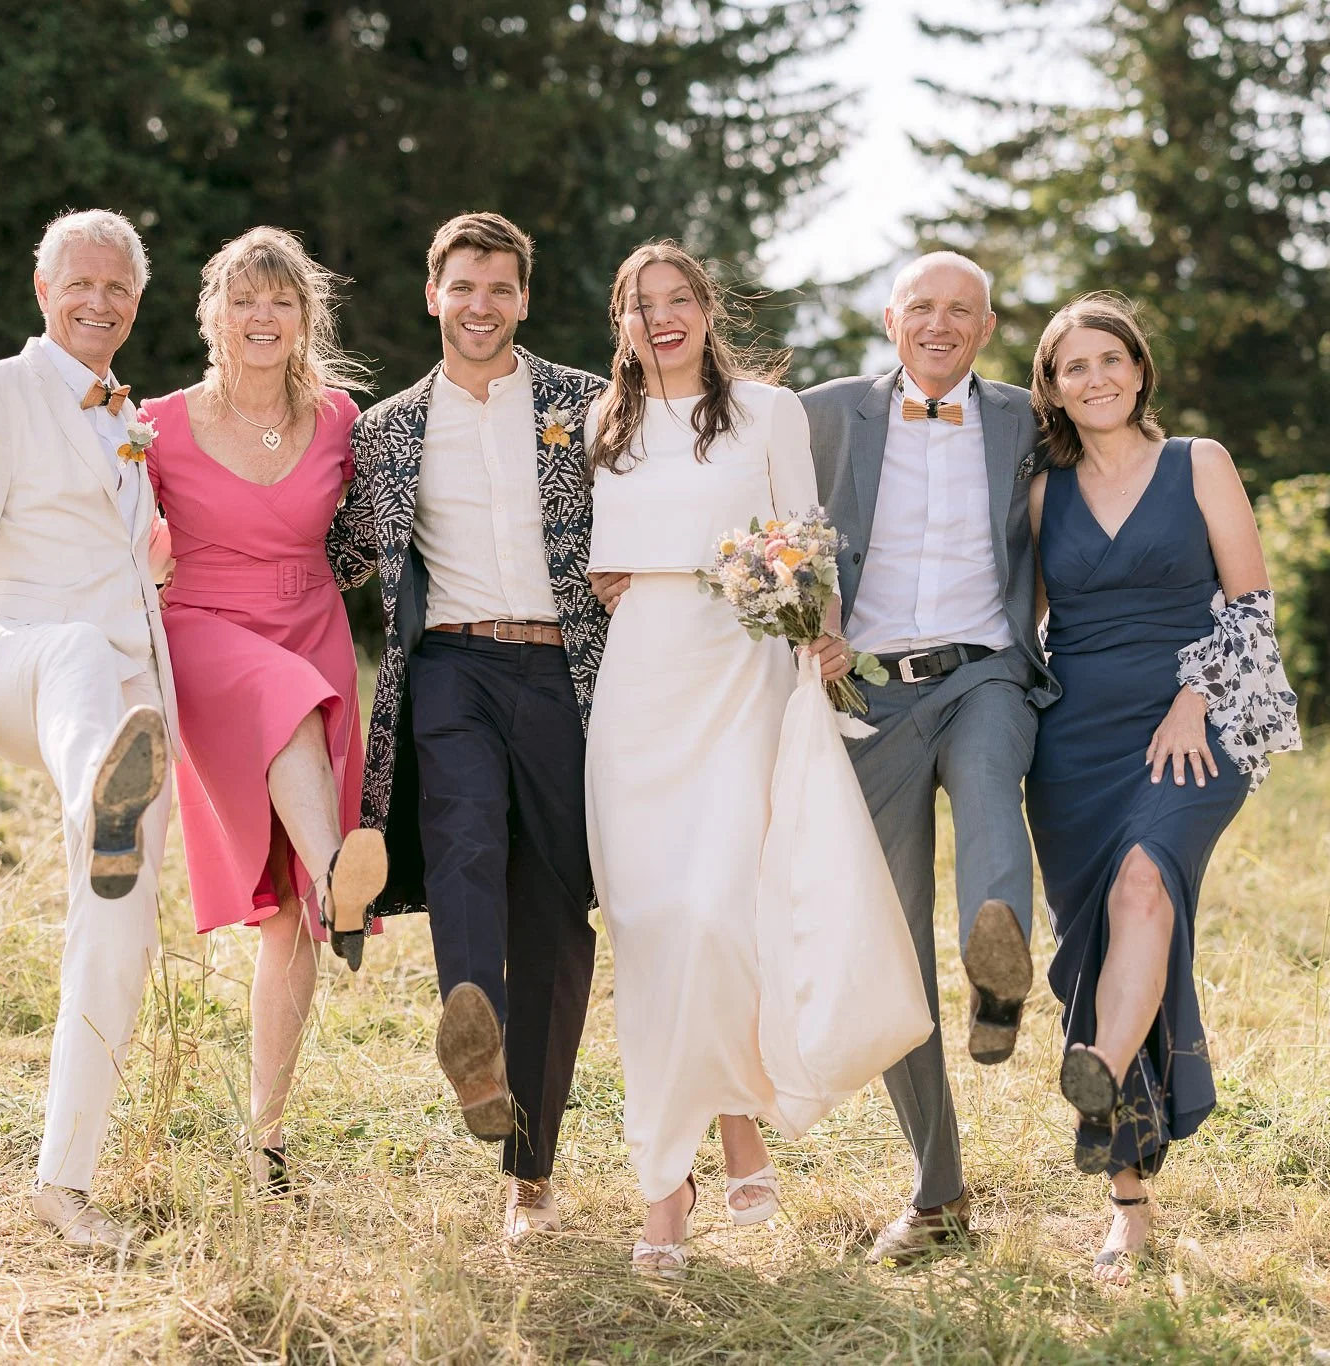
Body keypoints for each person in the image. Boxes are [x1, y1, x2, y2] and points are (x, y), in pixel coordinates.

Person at [326, 212, 608, 1243]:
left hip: (569, 676)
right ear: (431, 295)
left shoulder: (587, 405)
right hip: (449, 667)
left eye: (498, 288)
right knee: (461, 840)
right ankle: (471, 1027)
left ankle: (529, 1171)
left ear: (523, 298)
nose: (479, 306)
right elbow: (327, 553)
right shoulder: (386, 431)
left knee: (555, 917)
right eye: (462, 287)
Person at [581, 242, 854, 1277]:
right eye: (640, 304)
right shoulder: (603, 425)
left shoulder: (769, 412)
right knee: (650, 925)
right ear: (621, 322)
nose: (662, 318)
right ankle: (671, 1182)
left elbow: (806, 542)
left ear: (706, 309)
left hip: (743, 670)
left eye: (678, 299)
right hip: (641, 679)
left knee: (718, 911)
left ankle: (730, 1118)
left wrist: (823, 632)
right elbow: (602, 557)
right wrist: (622, 578)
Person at [0, 209, 176, 1254]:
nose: (98, 302)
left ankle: (65, 1183)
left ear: (136, 301)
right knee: (73, 652)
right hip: (17, 661)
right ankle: (99, 794)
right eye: (80, 284)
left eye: (117, 288)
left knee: (118, 926)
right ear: (42, 290)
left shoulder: (129, 417)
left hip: (130, 698)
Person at [1024, 292, 1299, 1283]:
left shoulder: (1198, 462)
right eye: (1074, 366)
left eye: (1110, 359)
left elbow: (1251, 603)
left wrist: (1192, 700)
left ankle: (1097, 1073)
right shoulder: (1042, 493)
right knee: (1104, 947)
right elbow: (1019, 622)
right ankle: (1127, 1209)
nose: (1095, 378)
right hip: (1075, 745)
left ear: (1139, 369)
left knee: (1146, 884)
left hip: (1194, 723)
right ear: (1053, 389)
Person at [796, 252, 1059, 1264]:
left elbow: (1120, 465)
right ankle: (938, 1193)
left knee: (990, 785)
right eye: (922, 308)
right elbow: (759, 514)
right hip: (869, 694)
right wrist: (804, 620)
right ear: (889, 318)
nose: (939, 325)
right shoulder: (824, 414)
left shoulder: (1029, 422)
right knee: (888, 943)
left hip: (984, 670)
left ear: (987, 329)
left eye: (960, 311)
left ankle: (997, 970)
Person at [139, 226, 387, 1197]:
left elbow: (376, 532)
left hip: (312, 628)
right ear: (213, 314)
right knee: (289, 706)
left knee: (285, 918)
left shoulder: (339, 420)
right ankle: (340, 877)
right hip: (205, 632)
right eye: (243, 298)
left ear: (305, 316)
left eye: (281, 300)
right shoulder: (157, 423)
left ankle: (267, 1139)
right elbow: (109, 528)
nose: (261, 315)